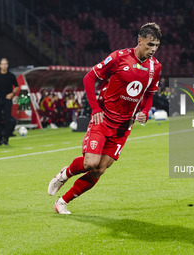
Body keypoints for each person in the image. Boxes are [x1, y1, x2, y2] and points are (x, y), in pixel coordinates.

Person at [47, 23, 162, 214]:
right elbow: (89, 78)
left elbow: (149, 93)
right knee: (90, 162)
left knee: (99, 170)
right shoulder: (119, 57)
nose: (153, 50)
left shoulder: (155, 67)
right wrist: (95, 109)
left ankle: (62, 202)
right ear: (139, 41)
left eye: (156, 45)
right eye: (150, 44)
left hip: (123, 126)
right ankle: (65, 174)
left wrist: (145, 111)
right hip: (104, 119)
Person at [0, 58, 19, 145]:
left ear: (8, 65)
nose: (4, 65)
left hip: (7, 99)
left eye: (6, 64)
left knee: (8, 119)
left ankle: (6, 139)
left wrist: (12, 93)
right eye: (2, 64)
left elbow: (16, 86)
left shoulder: (11, 76)